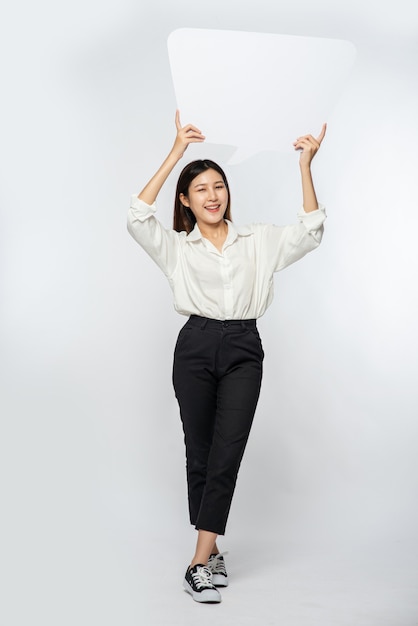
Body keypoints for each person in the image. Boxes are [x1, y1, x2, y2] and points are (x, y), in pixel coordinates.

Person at [127, 111, 326, 604]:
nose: (213, 195)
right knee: (200, 451)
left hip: (242, 348)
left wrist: (305, 165)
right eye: (201, 189)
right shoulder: (176, 249)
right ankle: (212, 549)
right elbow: (135, 216)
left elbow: (312, 231)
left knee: (227, 451)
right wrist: (176, 152)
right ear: (186, 201)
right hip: (193, 346)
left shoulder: (256, 240)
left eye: (219, 186)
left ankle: (198, 560)